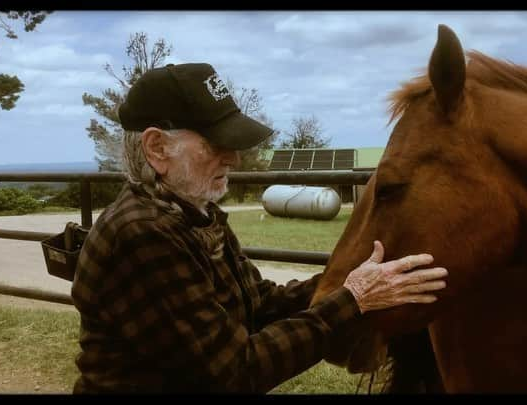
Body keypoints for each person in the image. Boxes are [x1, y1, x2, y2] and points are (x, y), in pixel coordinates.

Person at [70, 63, 449, 394]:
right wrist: (353, 300)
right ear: (157, 149)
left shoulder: (191, 215)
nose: (233, 157)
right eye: (215, 143)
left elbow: (260, 304)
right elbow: (234, 372)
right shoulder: (142, 235)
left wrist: (348, 280)